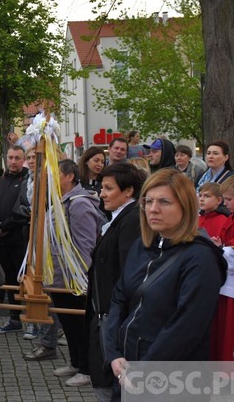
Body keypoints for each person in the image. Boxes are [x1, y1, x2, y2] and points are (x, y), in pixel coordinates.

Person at [103, 169, 226, 401]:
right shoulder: (143, 246)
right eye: (148, 201)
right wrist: (113, 354)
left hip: (173, 379)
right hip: (128, 369)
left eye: (164, 202)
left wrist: (145, 370)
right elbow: (119, 298)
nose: (153, 208)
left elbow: (187, 325)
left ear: (185, 206)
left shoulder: (200, 258)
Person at [24, 160, 99, 390]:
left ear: (68, 176)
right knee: (68, 324)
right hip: (59, 277)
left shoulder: (79, 204)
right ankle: (76, 362)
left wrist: (78, 279)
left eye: (53, 175)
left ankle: (88, 369)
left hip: (73, 280)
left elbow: (85, 245)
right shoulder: (60, 202)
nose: (48, 181)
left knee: (79, 325)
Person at [85, 163, 145, 401]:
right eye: (102, 187)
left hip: (113, 315)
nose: (101, 193)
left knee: (110, 382)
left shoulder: (130, 221)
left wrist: (114, 315)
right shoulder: (120, 218)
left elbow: (127, 272)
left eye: (108, 188)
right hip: (106, 312)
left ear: (128, 191)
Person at [0, 145, 29, 333]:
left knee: (25, 280)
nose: (13, 161)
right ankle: (14, 319)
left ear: (23, 160)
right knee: (8, 280)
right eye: (10, 157)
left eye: (17, 158)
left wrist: (5, 226)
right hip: (0, 239)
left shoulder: (26, 181)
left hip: (19, 238)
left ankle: (30, 319)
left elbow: (25, 209)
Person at [211, 175, 234, 361]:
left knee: (233, 336)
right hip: (229, 286)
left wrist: (218, 251)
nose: (225, 204)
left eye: (229, 199)